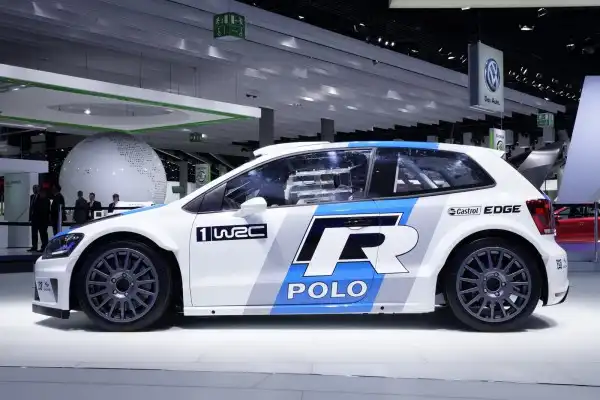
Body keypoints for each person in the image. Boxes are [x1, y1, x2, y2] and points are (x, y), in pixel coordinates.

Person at [27, 184, 39, 252]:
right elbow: (31, 207)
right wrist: (30, 217)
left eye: (36, 188)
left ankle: (43, 246)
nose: (34, 190)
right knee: (34, 233)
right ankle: (34, 246)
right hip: (33, 218)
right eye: (33, 188)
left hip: (39, 218)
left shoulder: (41, 196)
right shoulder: (32, 196)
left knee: (42, 233)